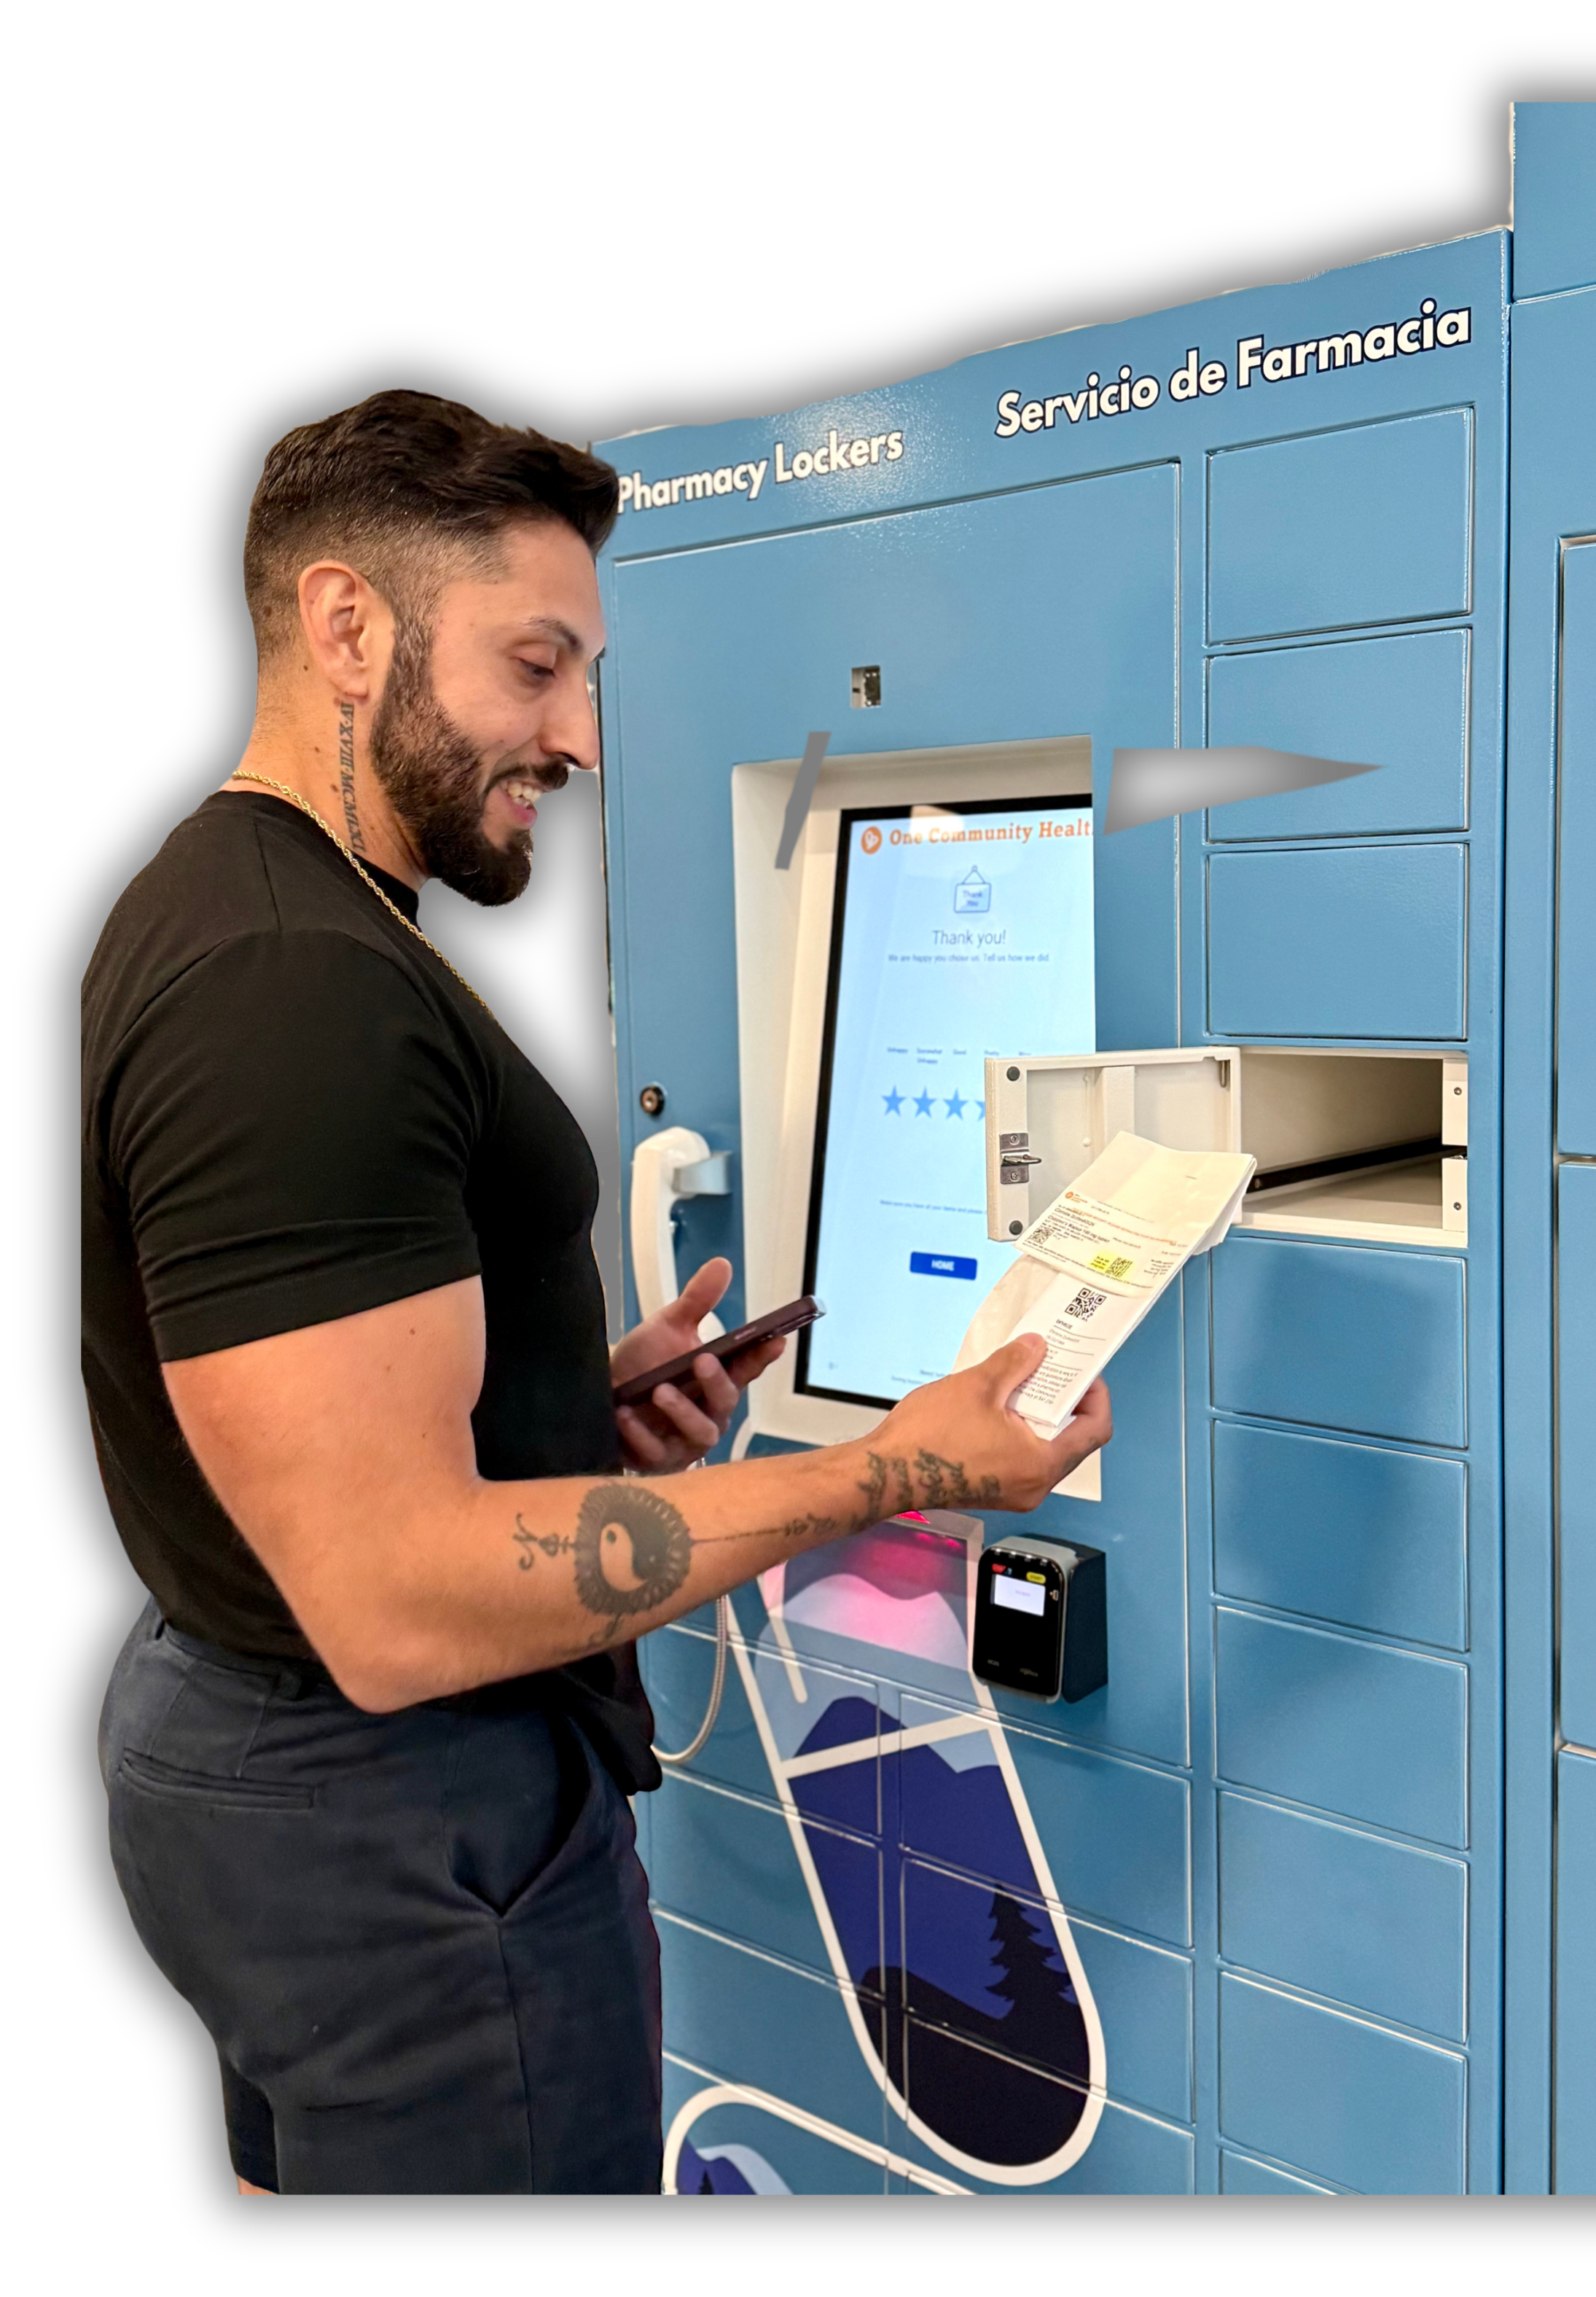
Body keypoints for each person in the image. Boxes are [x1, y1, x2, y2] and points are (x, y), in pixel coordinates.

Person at [80, 389, 1111, 2196]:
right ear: (346, 625)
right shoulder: (293, 988)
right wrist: (898, 1474)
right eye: (535, 668)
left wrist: (559, 1391)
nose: (582, 739)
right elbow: (397, 1603)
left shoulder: (249, 904)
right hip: (393, 1818)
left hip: (250, 1759)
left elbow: (325, 1389)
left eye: (586, 679)